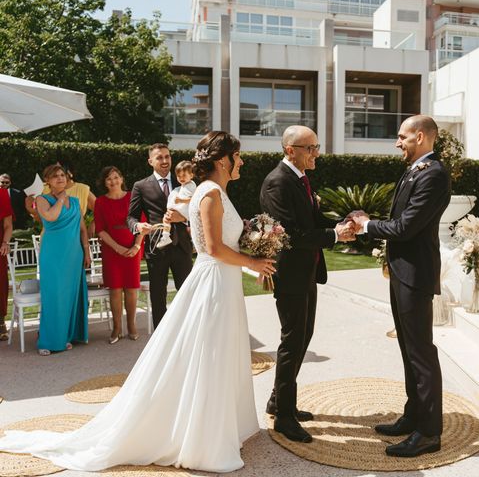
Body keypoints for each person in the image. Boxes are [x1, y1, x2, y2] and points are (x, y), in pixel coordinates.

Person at [0, 131, 276, 473]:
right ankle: (203, 436)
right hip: (213, 283)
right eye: (239, 156)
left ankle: (223, 424)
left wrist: (256, 241)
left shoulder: (214, 191)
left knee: (222, 351)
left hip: (224, 281)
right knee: (210, 353)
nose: (243, 161)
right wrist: (253, 262)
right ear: (224, 160)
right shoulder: (209, 194)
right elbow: (214, 248)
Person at [348, 115, 452, 458]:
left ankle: (428, 433)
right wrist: (371, 222)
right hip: (403, 271)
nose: (397, 143)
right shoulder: (417, 169)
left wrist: (366, 225)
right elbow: (401, 221)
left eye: (402, 137)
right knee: (409, 349)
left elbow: (406, 227)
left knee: (421, 353)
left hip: (415, 274)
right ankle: (413, 415)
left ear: (420, 137)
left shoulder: (433, 174)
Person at [259, 125, 355, 443]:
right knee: (291, 342)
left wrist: (342, 223)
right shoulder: (277, 182)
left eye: (316, 146)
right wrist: (334, 236)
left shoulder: (300, 179)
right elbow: (289, 235)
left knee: (302, 338)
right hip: (289, 275)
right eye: (310, 147)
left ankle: (279, 400)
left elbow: (310, 223)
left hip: (307, 273)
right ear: (291, 150)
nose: (316, 153)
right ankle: (284, 416)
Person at [127, 144, 193, 329]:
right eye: (159, 158)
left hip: (182, 246)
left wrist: (184, 217)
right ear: (150, 161)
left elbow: (196, 207)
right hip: (157, 247)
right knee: (158, 296)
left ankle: (189, 332)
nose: (165, 161)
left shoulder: (184, 180)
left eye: (167, 156)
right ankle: (160, 339)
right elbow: (130, 217)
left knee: (188, 293)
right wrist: (138, 225)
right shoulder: (140, 186)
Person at [35, 164, 90, 356]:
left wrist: (87, 251)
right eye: (55, 176)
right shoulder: (41, 199)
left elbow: (83, 229)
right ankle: (48, 341)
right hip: (53, 255)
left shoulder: (75, 201)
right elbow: (50, 217)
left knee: (70, 295)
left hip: (74, 255)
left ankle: (66, 336)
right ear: (48, 181)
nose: (60, 179)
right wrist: (62, 198)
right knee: (54, 296)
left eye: (62, 176)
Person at [94, 166, 144, 344]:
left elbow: (141, 225)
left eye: (116, 177)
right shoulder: (100, 202)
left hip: (133, 250)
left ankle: (131, 325)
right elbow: (100, 230)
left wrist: (137, 246)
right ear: (104, 182)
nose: (113, 181)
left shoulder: (133, 197)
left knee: (131, 289)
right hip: (111, 251)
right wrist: (117, 248)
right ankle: (117, 327)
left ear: (122, 179)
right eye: (109, 179)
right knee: (115, 289)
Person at [157, 160, 196, 249]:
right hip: (179, 210)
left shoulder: (191, 185)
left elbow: (193, 199)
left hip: (185, 211)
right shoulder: (182, 186)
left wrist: (181, 200)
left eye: (184, 175)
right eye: (179, 176)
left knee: (190, 228)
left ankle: (193, 242)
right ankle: (166, 236)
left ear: (191, 175)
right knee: (166, 219)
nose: (181, 178)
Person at [0, 187, 13, 341]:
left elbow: (8, 224)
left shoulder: (2, 193)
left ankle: (0, 322)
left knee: (0, 284)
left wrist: (5, 242)